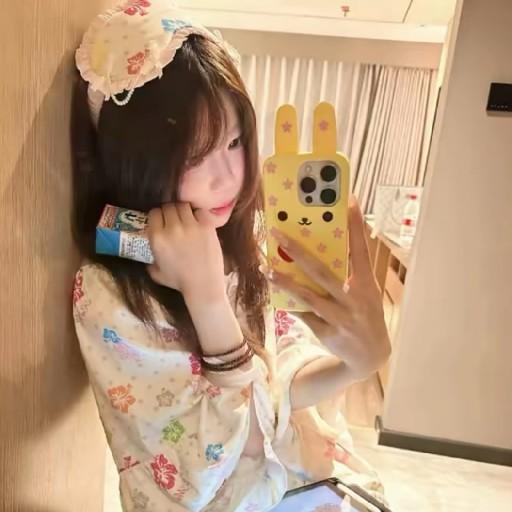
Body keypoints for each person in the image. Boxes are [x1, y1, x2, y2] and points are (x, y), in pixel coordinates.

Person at [71, 1, 391, 510]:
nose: (228, 178)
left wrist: (359, 363)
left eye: (236, 141)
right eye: (194, 156)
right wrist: (207, 301)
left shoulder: (244, 240)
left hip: (304, 489)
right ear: (134, 162)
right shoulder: (106, 294)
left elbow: (276, 385)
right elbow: (199, 472)